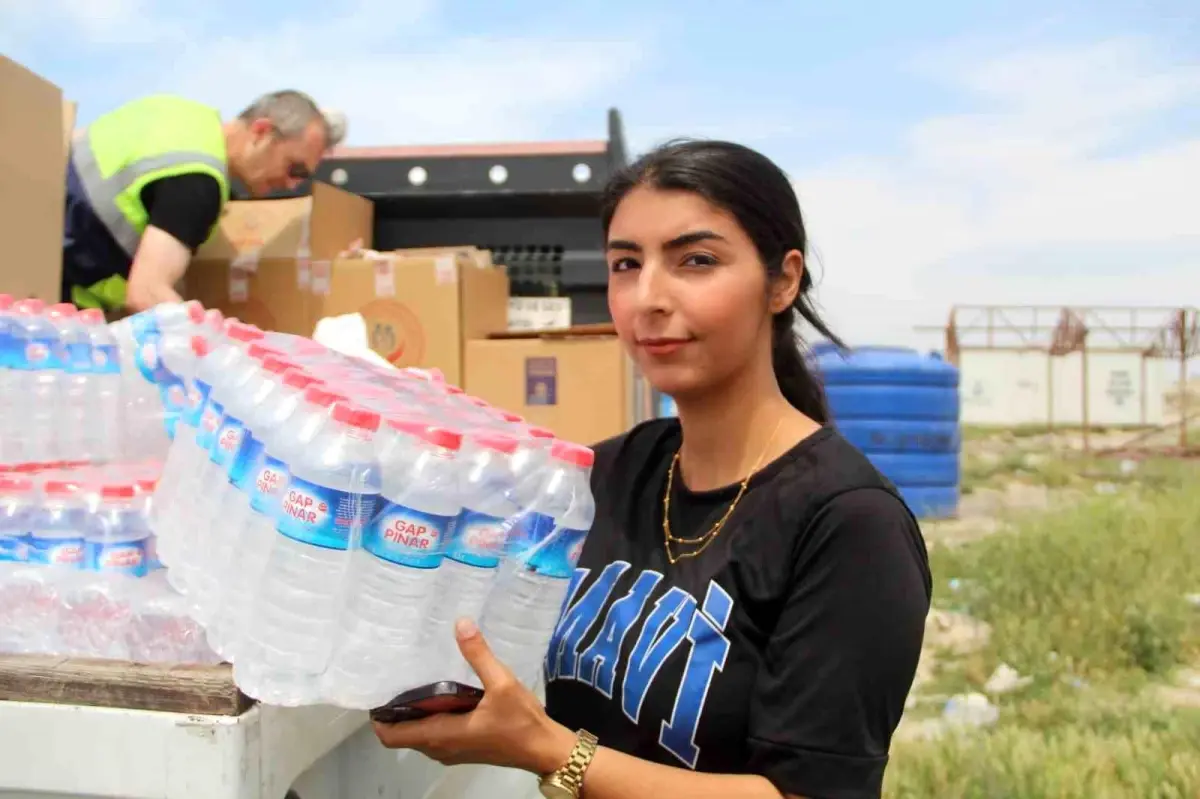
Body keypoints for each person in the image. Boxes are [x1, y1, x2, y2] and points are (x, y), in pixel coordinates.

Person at [373, 139, 932, 799]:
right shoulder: (612, 471)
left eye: (696, 260)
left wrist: (550, 751)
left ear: (782, 280)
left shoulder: (848, 522)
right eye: (625, 263)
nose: (648, 297)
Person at [62, 90, 346, 313]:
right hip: (55, 297)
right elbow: (147, 292)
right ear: (262, 132)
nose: (292, 184)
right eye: (294, 168)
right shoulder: (199, 181)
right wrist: (222, 350)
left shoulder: (181, 117)